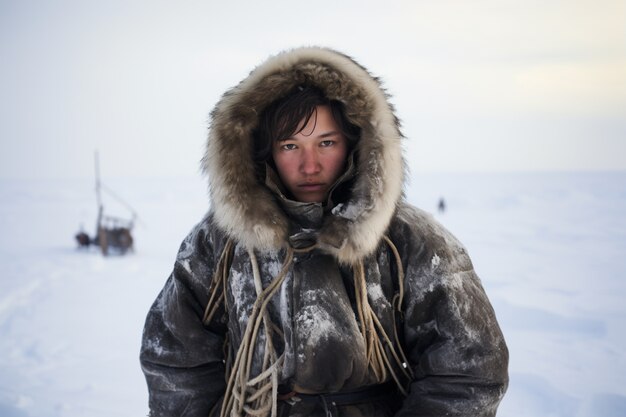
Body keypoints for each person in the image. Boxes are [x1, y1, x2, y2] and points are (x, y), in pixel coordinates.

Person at [140, 47, 509, 417]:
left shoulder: (410, 240)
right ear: (261, 152)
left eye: (326, 143)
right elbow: (175, 360)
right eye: (290, 146)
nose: (310, 165)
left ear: (356, 141)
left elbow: (468, 369)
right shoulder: (218, 243)